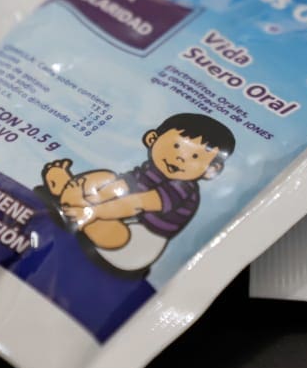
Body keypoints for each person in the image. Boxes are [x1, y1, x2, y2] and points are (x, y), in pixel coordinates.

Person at [41, 112, 236, 272]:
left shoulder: (183, 188)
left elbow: (136, 204)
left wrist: (93, 211)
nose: (180, 158)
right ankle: (71, 196)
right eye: (176, 146)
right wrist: (97, 196)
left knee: (114, 231)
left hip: (136, 244)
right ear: (152, 140)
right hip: (123, 217)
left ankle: (70, 199)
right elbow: (122, 185)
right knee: (107, 176)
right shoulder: (150, 169)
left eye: (194, 156)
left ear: (212, 170)